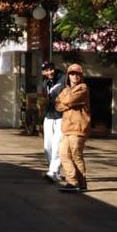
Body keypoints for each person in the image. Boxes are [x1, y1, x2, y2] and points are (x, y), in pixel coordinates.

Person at [56, 63, 91, 193]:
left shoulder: (83, 88)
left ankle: (78, 183)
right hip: (66, 128)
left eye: (77, 74)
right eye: (72, 73)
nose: (75, 76)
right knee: (63, 154)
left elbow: (69, 100)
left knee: (76, 155)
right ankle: (75, 182)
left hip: (78, 128)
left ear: (81, 76)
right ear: (68, 75)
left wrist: (65, 102)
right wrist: (67, 102)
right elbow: (57, 105)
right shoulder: (65, 90)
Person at [40, 61, 66, 183]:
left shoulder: (63, 78)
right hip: (49, 115)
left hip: (61, 116)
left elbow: (58, 93)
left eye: (51, 69)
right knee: (47, 146)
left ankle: (53, 171)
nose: (49, 72)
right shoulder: (46, 82)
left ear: (54, 68)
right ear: (43, 72)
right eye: (46, 70)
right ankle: (54, 171)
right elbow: (44, 97)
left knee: (57, 145)